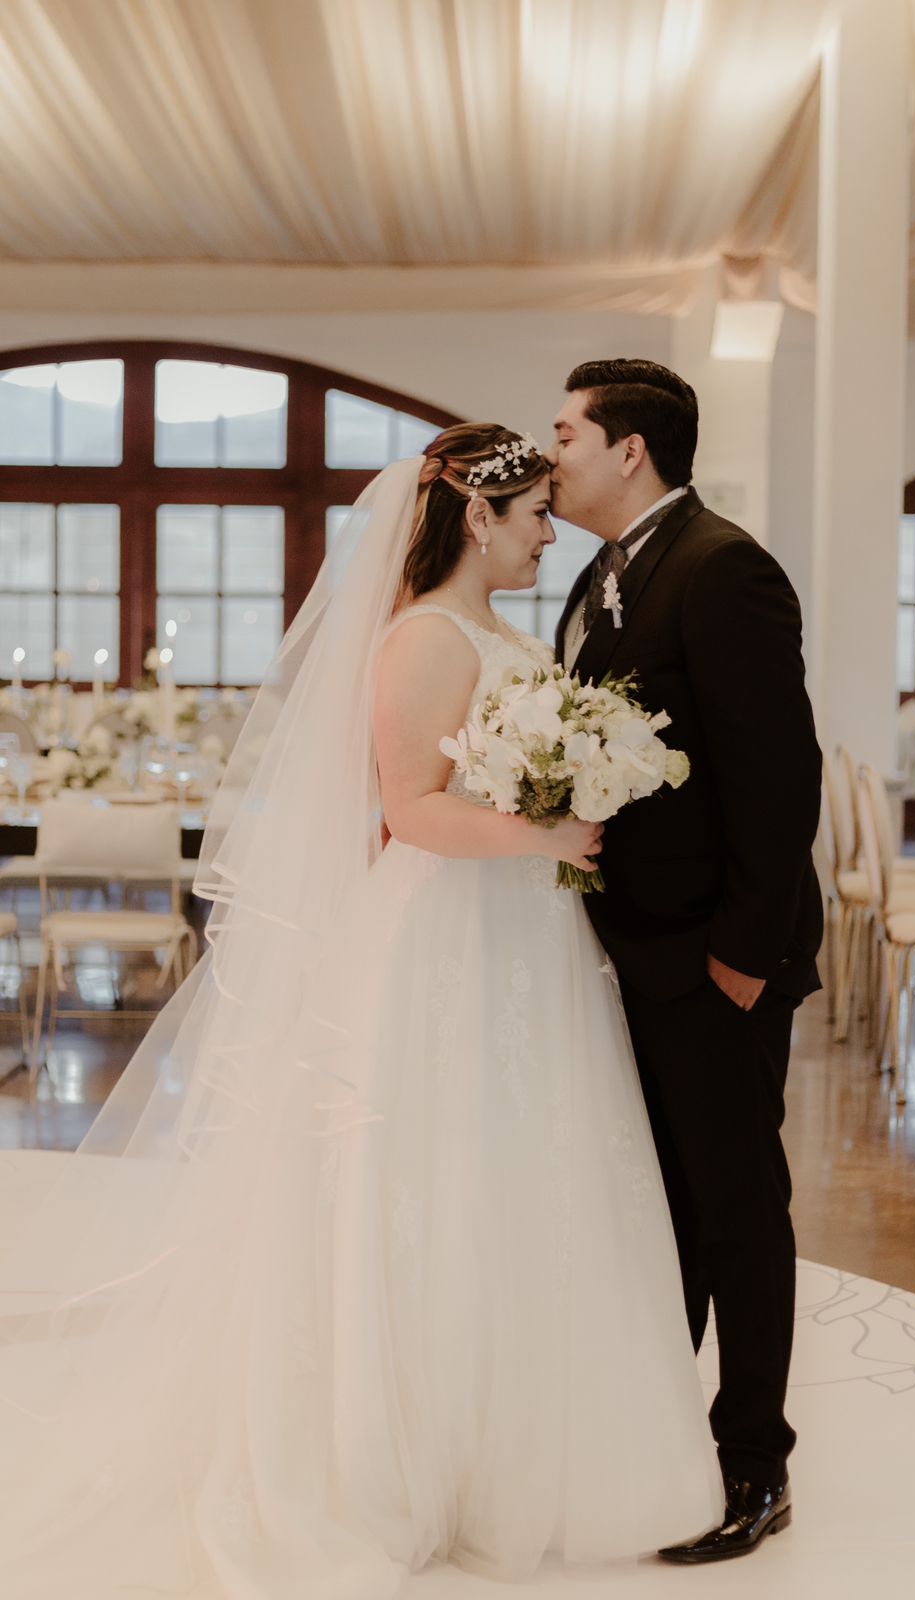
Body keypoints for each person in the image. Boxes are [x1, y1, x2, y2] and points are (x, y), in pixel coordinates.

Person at [0, 423, 720, 1598]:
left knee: (522, 1172)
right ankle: (401, 1456)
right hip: (443, 935)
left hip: (524, 936)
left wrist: (570, 803)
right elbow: (411, 808)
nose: (549, 531)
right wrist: (543, 829)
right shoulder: (424, 640)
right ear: (475, 520)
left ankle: (516, 1446)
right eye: (532, 512)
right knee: (429, 1173)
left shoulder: (499, 631)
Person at [550, 359, 823, 1563]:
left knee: (733, 1208)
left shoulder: (723, 569)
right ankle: (664, 1438)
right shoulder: (596, 578)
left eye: (565, 431)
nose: (548, 453)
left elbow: (779, 778)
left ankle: (754, 1463)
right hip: (632, 952)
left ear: (630, 451)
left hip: (714, 959)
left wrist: (743, 959)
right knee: (657, 1209)